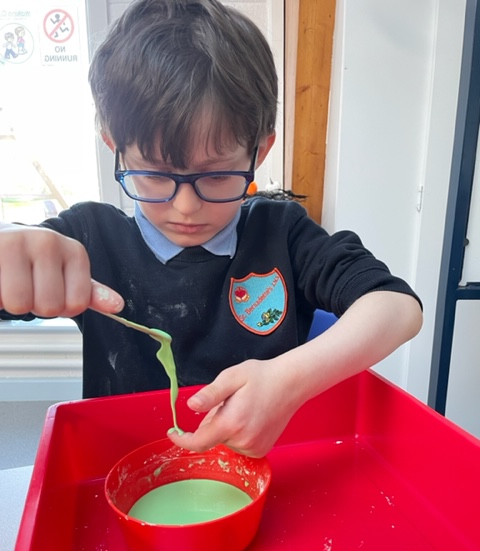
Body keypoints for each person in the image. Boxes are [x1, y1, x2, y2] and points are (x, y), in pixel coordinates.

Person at [0, 0, 422, 457]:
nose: (186, 207)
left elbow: (396, 307)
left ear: (259, 153)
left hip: (263, 468)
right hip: (124, 470)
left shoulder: (282, 234)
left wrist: (290, 378)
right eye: (155, 174)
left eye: (217, 175)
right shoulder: (89, 239)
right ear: (115, 147)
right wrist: (11, 251)